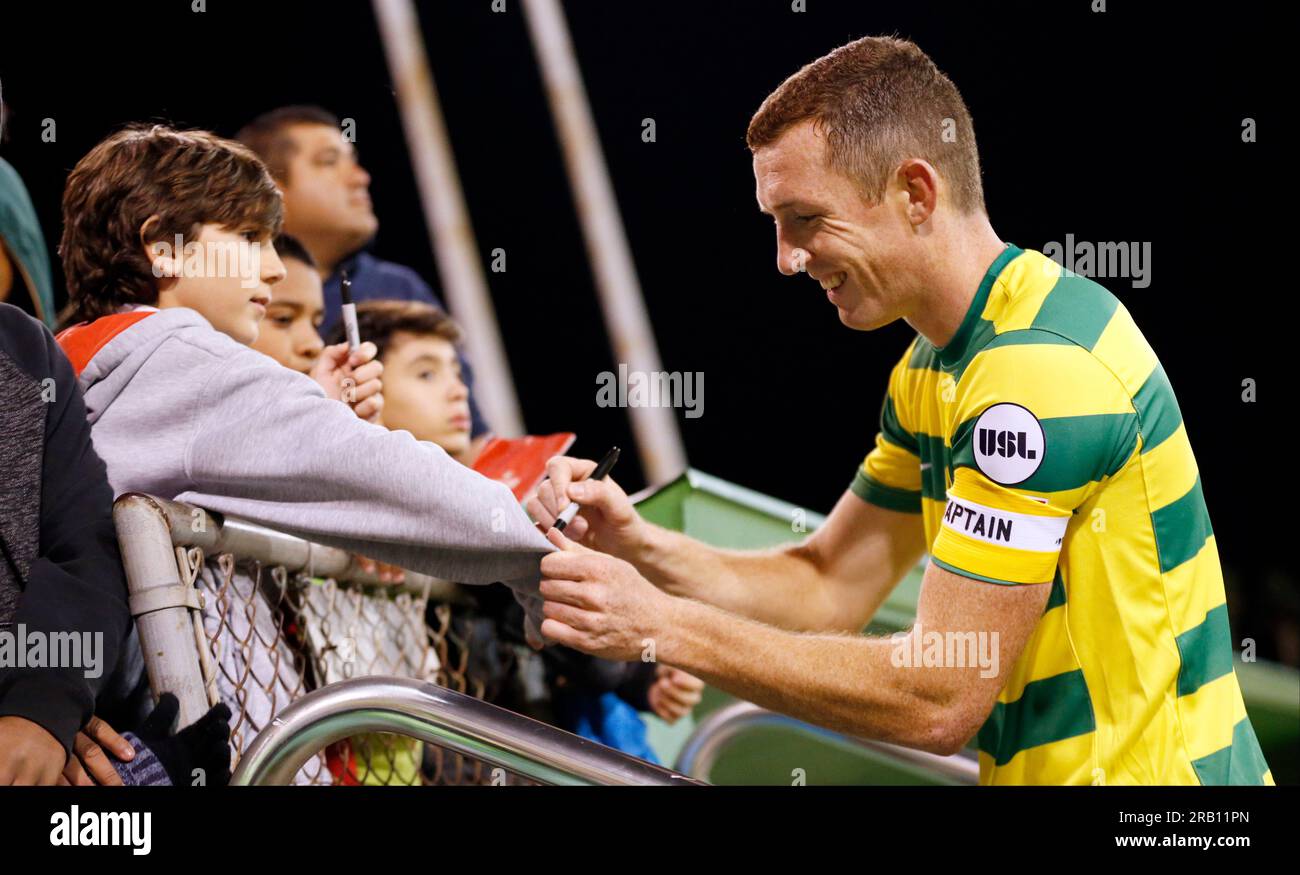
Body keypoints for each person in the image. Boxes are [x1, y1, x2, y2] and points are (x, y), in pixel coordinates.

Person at [528, 36, 1272, 785]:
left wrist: (663, 625)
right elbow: (825, 585)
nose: (785, 257)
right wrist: (638, 544)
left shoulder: (1036, 373)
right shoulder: (932, 366)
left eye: (805, 218)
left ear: (916, 192)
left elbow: (940, 692)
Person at [54, 124, 553, 652]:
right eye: (249, 239)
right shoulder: (189, 362)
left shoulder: (81, 360)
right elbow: (383, 473)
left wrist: (312, 406)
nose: (272, 270)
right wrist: (538, 561)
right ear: (164, 248)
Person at [328, 301, 703, 761]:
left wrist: (642, 679)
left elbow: (562, 647)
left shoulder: (497, 499)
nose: (455, 392)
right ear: (362, 384)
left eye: (457, 374)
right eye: (426, 375)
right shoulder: (332, 501)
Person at [236, 106, 491, 457]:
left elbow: (469, 440)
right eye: (329, 161)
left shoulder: (397, 288)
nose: (359, 177)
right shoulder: (227, 285)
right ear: (271, 189)